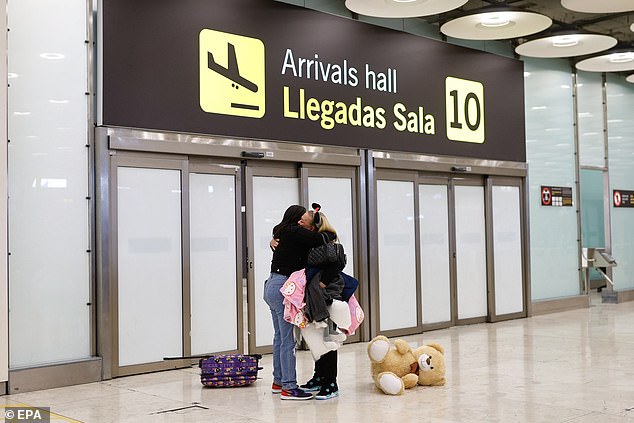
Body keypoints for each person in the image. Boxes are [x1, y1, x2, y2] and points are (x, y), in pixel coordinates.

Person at [264, 204, 335, 400]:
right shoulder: (294, 231)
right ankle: (288, 387)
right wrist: (329, 232)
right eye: (304, 214)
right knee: (287, 339)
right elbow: (320, 238)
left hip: (272, 285)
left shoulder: (284, 232)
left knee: (280, 337)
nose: (306, 217)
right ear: (296, 217)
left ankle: (278, 382)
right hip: (282, 288)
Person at [300, 206, 345, 400]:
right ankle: (319, 377)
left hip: (326, 297)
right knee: (316, 339)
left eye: (305, 219)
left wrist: (323, 281)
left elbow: (338, 263)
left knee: (328, 339)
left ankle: (330, 383)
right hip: (314, 297)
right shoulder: (311, 240)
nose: (301, 222)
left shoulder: (327, 242)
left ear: (314, 224)